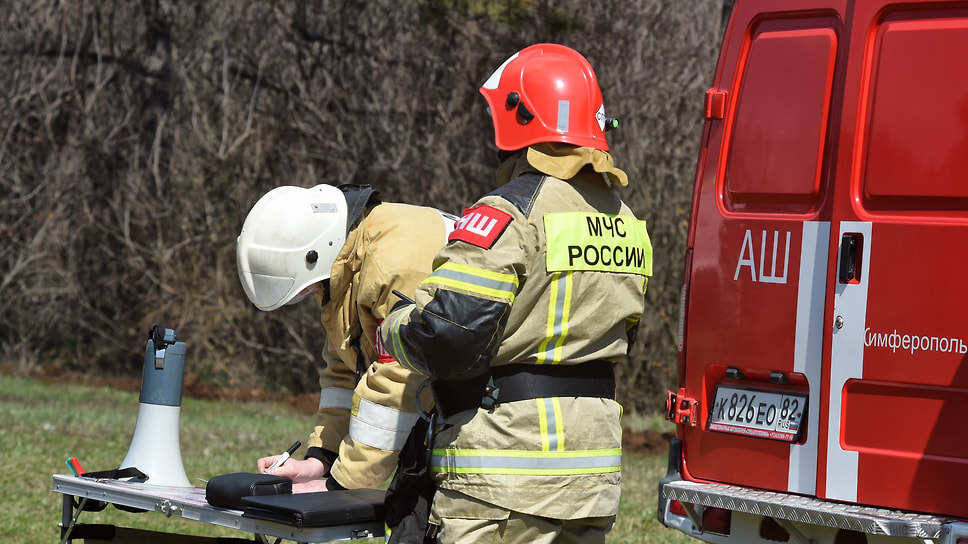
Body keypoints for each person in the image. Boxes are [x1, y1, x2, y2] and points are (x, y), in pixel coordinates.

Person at [380, 44, 653, 543]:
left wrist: (396, 323)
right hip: (591, 477)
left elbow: (448, 335)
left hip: (503, 475)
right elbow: (620, 335)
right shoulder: (627, 222)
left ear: (518, 118)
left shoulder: (511, 211)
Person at [236, 183, 455, 492]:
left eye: (305, 289)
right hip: (443, 418)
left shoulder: (393, 263)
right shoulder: (342, 267)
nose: (309, 295)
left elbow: (400, 379)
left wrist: (341, 485)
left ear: (316, 252)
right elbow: (343, 371)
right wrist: (319, 461)